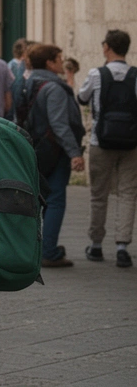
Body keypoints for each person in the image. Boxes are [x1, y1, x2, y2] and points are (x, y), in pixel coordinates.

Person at [19, 44, 87, 268]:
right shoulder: (54, 88)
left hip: (31, 148)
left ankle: (29, 247)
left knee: (35, 199)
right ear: (49, 62)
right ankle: (49, 251)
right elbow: (59, 125)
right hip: (53, 151)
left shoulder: (25, 82)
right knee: (55, 200)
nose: (61, 61)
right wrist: (74, 153)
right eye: (59, 58)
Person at [77, 29, 137, 268]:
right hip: (131, 143)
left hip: (100, 142)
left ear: (107, 48)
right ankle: (122, 246)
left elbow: (82, 98)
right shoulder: (135, 75)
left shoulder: (96, 74)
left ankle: (96, 245)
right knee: (127, 193)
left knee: (98, 196)